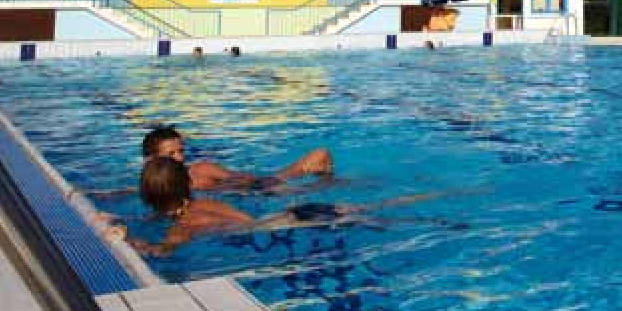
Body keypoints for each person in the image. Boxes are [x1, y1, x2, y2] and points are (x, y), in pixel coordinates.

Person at [129, 158, 432, 256]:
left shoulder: (183, 224)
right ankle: (428, 201)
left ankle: (428, 223)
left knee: (381, 221)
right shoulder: (202, 203)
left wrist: (133, 241)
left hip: (288, 224)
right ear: (188, 184)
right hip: (295, 212)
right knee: (378, 207)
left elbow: (164, 250)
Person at [142, 126, 333, 192]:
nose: (180, 158)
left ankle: (327, 183)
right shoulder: (153, 185)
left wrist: (228, 187)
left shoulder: (200, 170)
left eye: (181, 151)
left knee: (320, 155)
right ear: (150, 159)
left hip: (261, 188)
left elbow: (240, 178)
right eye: (171, 155)